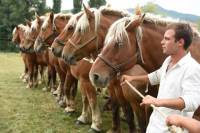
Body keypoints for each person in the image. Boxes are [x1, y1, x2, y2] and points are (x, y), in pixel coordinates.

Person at [121, 23, 200, 133]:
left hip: (172, 129)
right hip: (155, 124)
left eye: (167, 39)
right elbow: (156, 76)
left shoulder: (193, 69)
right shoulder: (168, 61)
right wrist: (132, 78)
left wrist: (158, 102)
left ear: (180, 43)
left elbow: (192, 102)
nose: (162, 42)